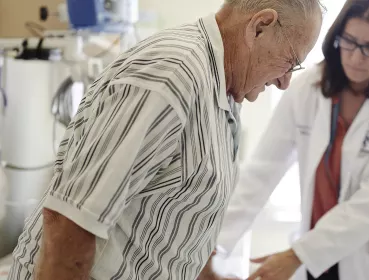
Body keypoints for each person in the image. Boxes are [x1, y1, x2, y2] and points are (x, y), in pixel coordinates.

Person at [7, 1, 323, 279]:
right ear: (260, 27)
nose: (285, 82)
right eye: (290, 61)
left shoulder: (223, 88)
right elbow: (70, 222)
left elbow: (181, 213)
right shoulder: (170, 75)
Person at [201, 0, 369, 280]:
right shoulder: (307, 87)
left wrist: (296, 255)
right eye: (349, 41)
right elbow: (262, 170)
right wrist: (215, 244)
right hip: (318, 250)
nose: (356, 57)